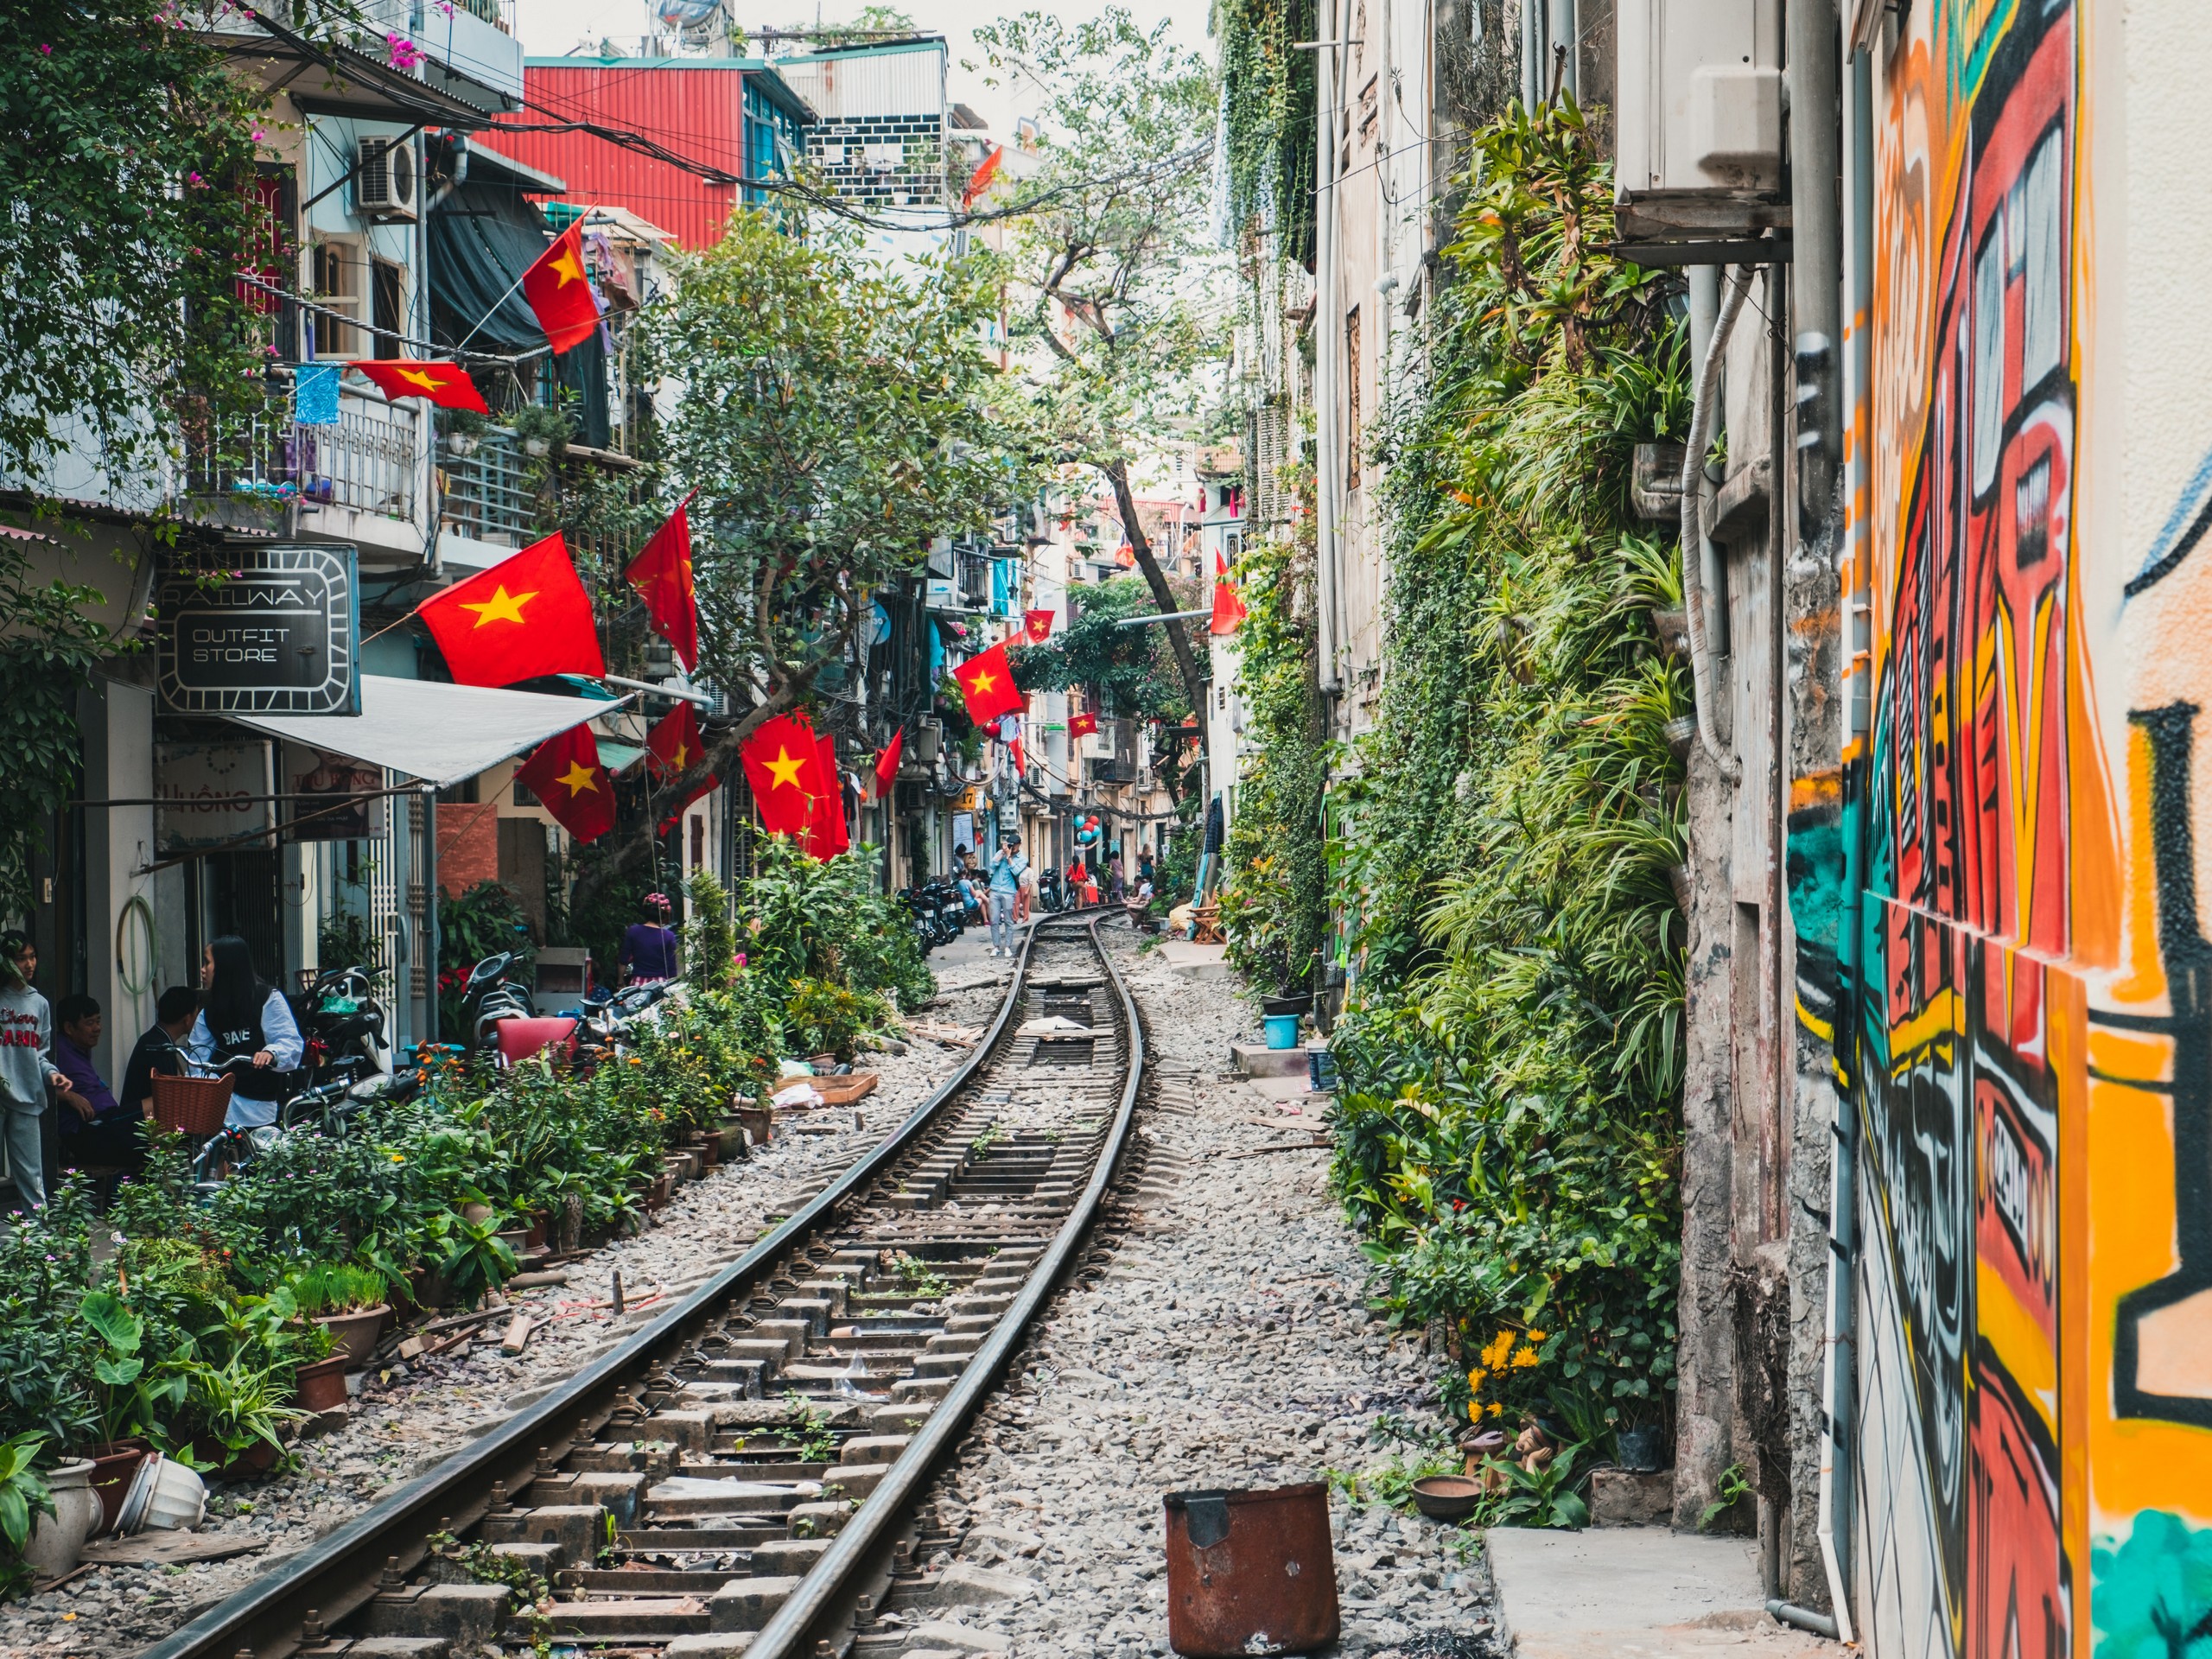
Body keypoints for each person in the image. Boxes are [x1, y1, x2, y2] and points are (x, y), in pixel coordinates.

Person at [188, 935, 304, 1130]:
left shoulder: (266, 998)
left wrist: (270, 1053)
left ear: (226, 966)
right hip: (222, 1103)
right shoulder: (209, 1011)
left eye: (207, 962)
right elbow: (197, 1056)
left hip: (258, 1104)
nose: (202, 970)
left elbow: (289, 1042)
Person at [0, 931, 66, 1211]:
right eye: (21, 958)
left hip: (27, 1097)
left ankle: (41, 1249)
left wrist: (52, 1073)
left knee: (32, 1180)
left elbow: (39, 1053)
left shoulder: (40, 1004)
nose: (29, 964)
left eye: (32, 957)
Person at [52, 994, 143, 1183]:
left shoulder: (80, 1049)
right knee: (159, 1105)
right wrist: (67, 1096)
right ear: (69, 1027)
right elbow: (34, 1087)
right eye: (89, 1023)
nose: (97, 1028)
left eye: (98, 1021)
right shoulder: (56, 1050)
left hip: (108, 1124)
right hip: (91, 1130)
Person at [121, 985, 200, 1123]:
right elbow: (166, 1104)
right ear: (187, 1019)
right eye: (196, 1014)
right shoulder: (160, 1049)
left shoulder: (153, 1038)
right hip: (139, 1128)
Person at [620, 893, 681, 987]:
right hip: (660, 985)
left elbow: (623, 960)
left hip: (637, 984)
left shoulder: (633, 931)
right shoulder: (669, 936)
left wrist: (620, 982)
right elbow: (671, 968)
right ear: (664, 915)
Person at [987, 834, 1027, 956]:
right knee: (994, 920)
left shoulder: (1023, 859)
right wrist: (1003, 854)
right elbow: (992, 866)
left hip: (1009, 892)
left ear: (1019, 844)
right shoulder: (1001, 853)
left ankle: (1008, 947)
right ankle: (996, 946)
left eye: (1015, 844)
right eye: (1011, 844)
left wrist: (1009, 858)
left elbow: (1016, 871)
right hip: (995, 889)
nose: (1013, 847)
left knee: (1009, 921)